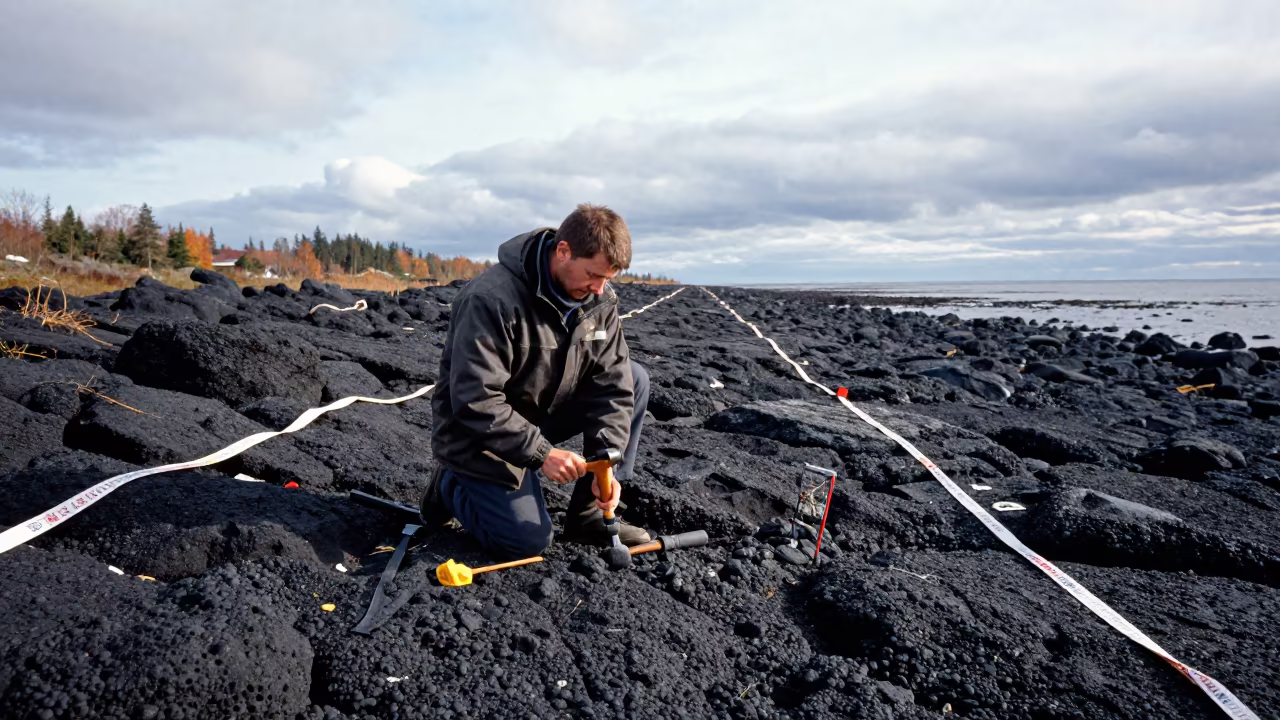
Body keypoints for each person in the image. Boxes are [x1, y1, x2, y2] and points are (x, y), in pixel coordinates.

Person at [423, 204, 652, 559]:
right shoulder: (491, 299)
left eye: (608, 278)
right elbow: (475, 400)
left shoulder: (599, 300)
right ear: (563, 251)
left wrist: (606, 467)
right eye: (593, 275)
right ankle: (451, 485)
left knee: (635, 378)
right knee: (526, 544)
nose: (599, 289)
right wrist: (542, 453)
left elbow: (614, 384)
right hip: (477, 432)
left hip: (540, 410)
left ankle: (588, 516)